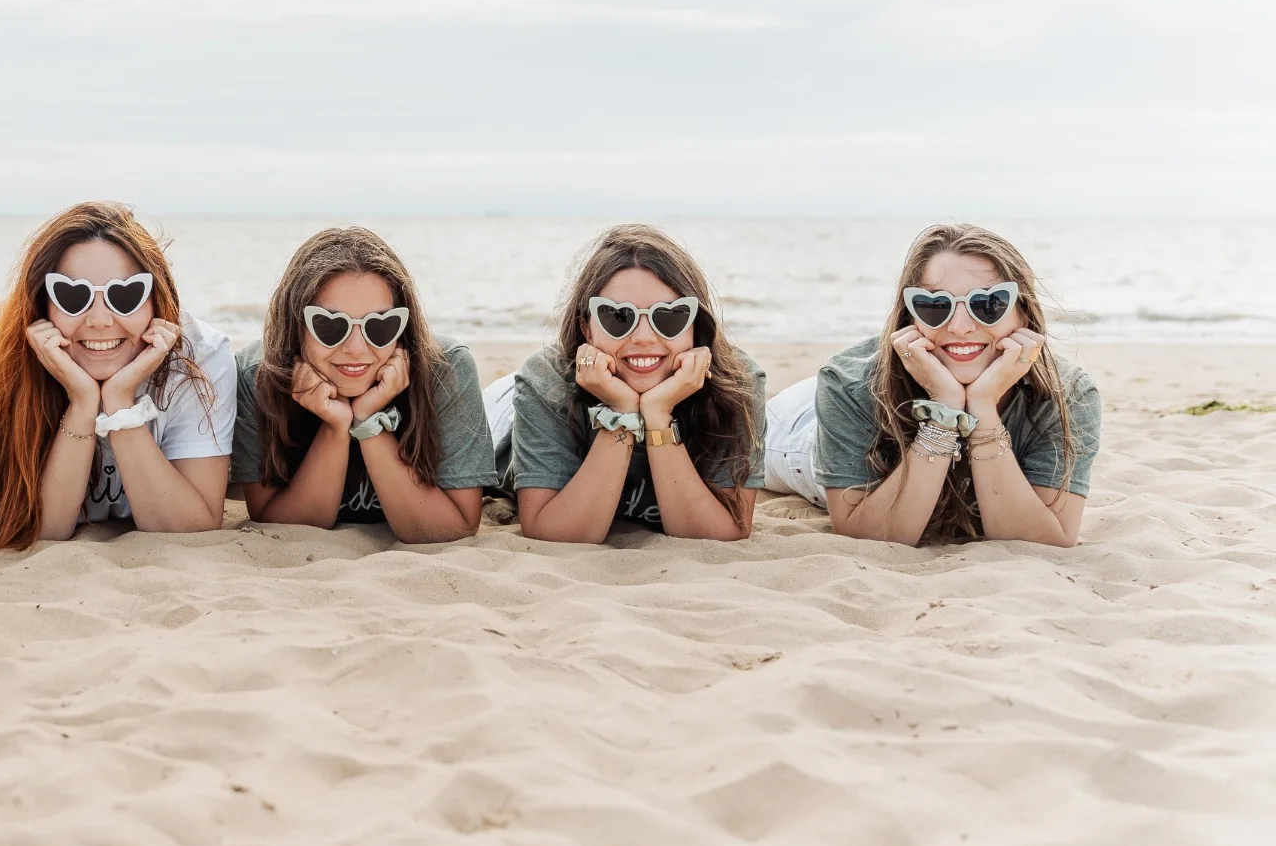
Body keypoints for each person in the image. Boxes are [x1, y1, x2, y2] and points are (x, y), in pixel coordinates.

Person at [763, 222, 1099, 547]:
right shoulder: (849, 385)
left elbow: (1048, 540)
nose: (961, 327)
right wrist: (945, 409)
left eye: (988, 303)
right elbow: (863, 534)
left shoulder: (1068, 394)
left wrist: (981, 409)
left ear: (1023, 313)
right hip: (797, 430)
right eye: (935, 306)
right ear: (910, 316)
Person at [0, 202, 234, 548]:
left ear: (156, 298)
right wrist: (83, 402)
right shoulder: (2, 362)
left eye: (126, 295)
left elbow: (192, 528)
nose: (100, 319)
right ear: (42, 304)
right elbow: (41, 531)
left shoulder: (201, 356)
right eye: (72, 296)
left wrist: (119, 402)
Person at [498, 224, 764, 543]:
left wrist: (657, 413)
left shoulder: (738, 383)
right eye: (618, 317)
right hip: (502, 412)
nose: (643, 337)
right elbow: (552, 532)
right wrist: (621, 411)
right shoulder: (547, 380)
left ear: (696, 325)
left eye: (668, 316)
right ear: (586, 328)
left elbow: (719, 534)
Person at [232, 227, 493, 542]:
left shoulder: (446, 368)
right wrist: (335, 428)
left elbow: (455, 529)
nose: (356, 348)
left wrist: (368, 421)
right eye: (329, 325)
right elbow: (281, 525)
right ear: (295, 325)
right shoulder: (256, 375)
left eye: (380, 326)